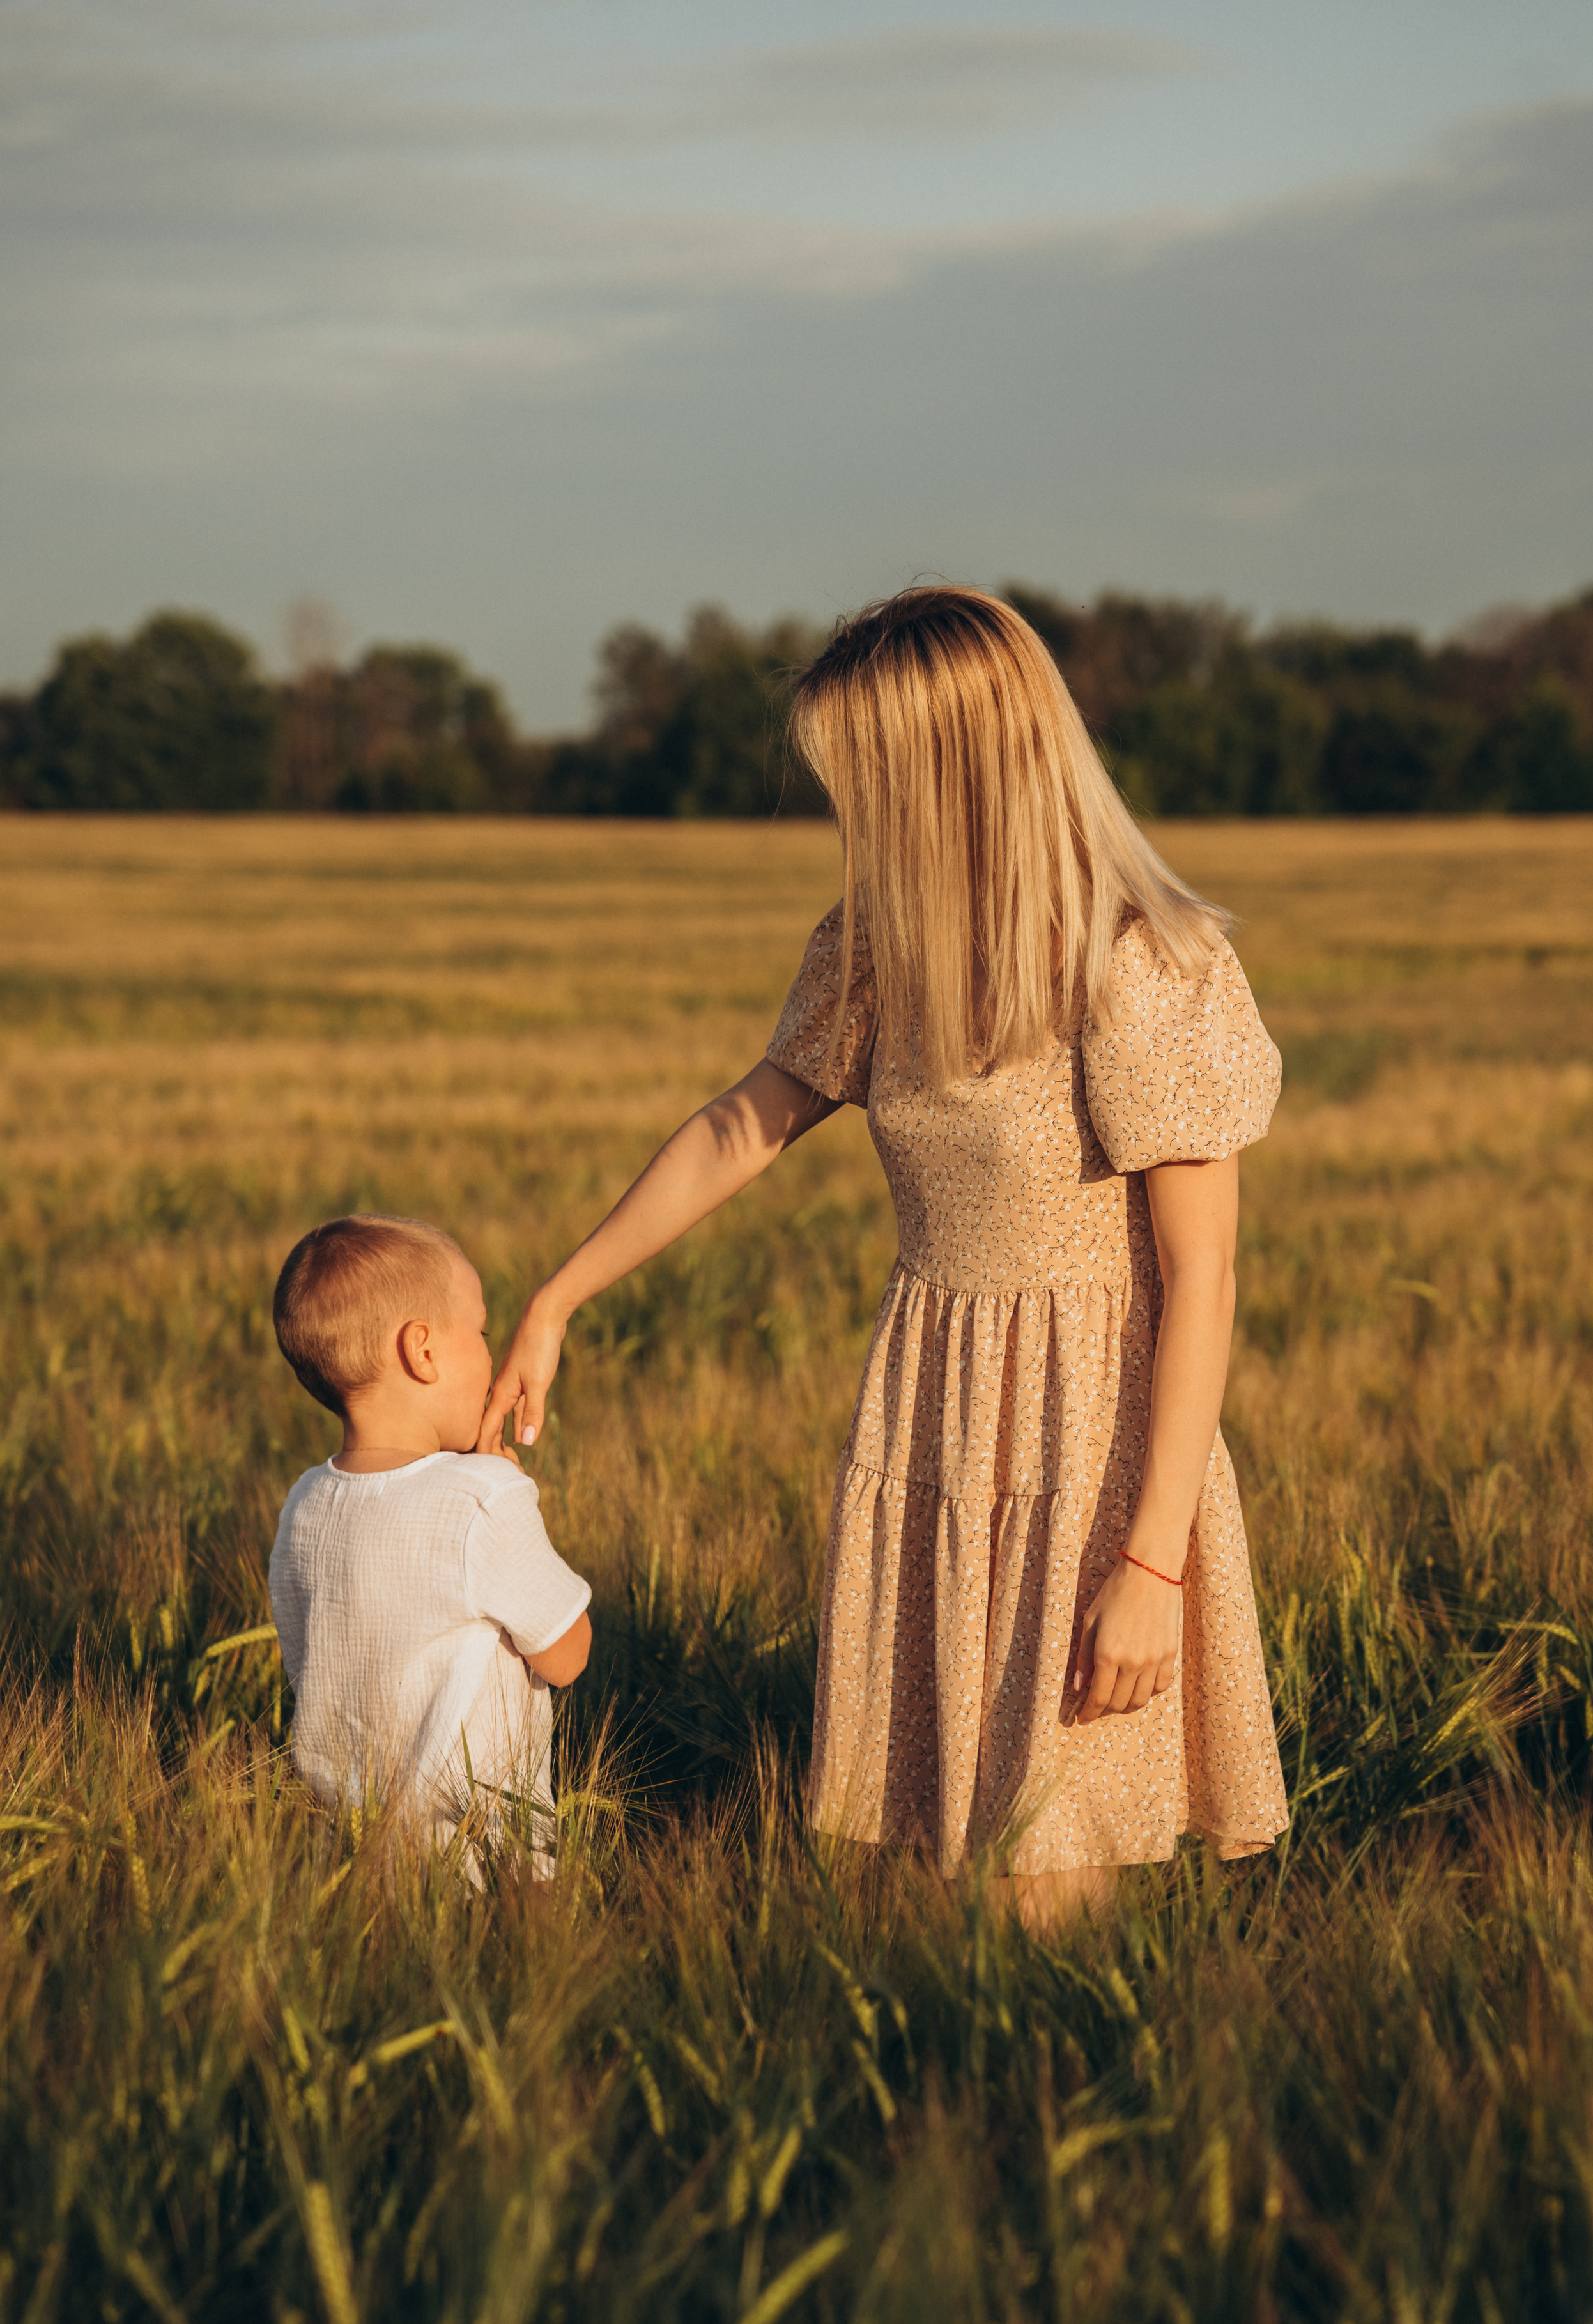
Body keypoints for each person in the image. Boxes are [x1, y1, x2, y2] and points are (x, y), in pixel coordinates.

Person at [480, 586, 1288, 1927]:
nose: (847, 806)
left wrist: (1151, 1566)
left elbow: (1201, 1281)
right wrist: (559, 1297)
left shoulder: (1138, 962)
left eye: (863, 774)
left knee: (1046, 1878)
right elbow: (741, 1128)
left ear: (951, 768)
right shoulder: (876, 948)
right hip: (932, 1419)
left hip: (1091, 1452)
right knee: (916, 1882)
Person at [269, 1212, 591, 1872]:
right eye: (481, 1331)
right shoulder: (482, 1497)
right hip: (486, 1858)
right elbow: (567, 1657)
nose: (491, 1355)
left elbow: (306, 1665)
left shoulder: (303, 1503)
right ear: (422, 1350)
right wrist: (508, 1490)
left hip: (348, 1857)